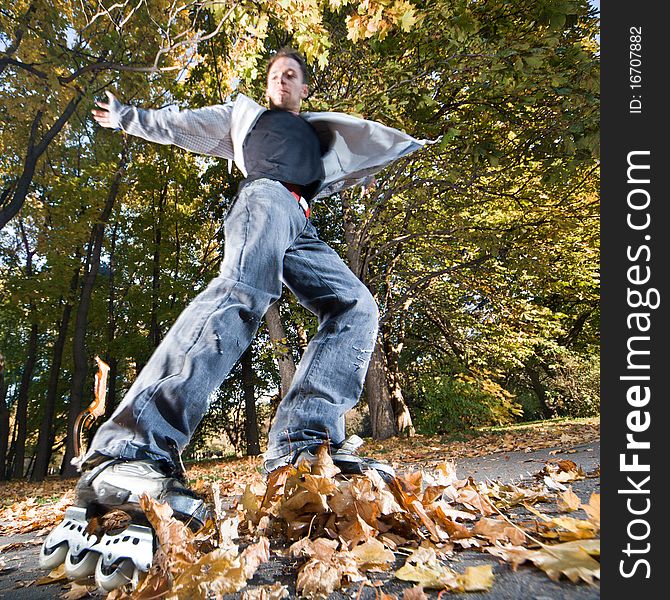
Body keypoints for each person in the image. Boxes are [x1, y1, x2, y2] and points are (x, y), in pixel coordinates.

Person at [77, 48, 427, 521]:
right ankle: (130, 449)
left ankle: (303, 448)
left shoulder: (320, 136)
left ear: (305, 89)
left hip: (302, 226)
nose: (282, 81)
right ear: (267, 86)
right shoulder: (247, 118)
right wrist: (128, 117)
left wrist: (364, 171)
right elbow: (183, 126)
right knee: (244, 290)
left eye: (291, 76)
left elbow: (344, 167)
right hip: (263, 200)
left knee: (357, 307)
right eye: (275, 75)